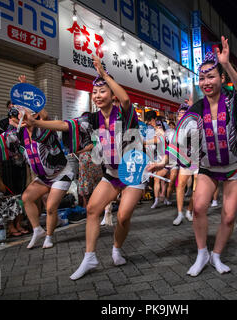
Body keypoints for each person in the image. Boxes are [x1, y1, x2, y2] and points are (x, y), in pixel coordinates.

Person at [24, 55, 143, 280]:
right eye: (95, 92)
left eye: (103, 91)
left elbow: (126, 100)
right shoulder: (92, 119)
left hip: (133, 172)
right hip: (111, 174)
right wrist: (36, 123)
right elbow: (65, 125)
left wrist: (104, 74)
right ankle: (90, 257)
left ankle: (116, 249)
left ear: (111, 94)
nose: (98, 96)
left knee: (123, 217)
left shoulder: (125, 114)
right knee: (92, 210)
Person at [149, 36, 237, 275]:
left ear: (222, 78)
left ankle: (216, 256)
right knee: (198, 207)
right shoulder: (195, 110)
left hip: (234, 166)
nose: (206, 82)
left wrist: (226, 63)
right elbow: (180, 141)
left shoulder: (233, 101)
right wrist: (163, 162)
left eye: (211, 76)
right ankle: (202, 252)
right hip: (207, 167)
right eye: (202, 77)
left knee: (228, 217)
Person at [0, 80, 74, 249]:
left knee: (50, 207)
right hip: (43, 177)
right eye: (20, 113)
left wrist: (28, 93)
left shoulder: (44, 128)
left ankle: (49, 236)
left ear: (34, 115)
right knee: (26, 198)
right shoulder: (18, 134)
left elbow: (46, 116)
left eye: (26, 112)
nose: (22, 116)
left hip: (60, 173)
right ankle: (37, 230)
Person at [0, 101, 27, 195]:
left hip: (23, 160)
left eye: (15, 108)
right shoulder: (2, 123)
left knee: (24, 184)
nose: (13, 111)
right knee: (9, 184)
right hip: (7, 161)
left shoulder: (24, 122)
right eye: (11, 108)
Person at [75, 112, 103, 209]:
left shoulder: (92, 131)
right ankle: (89, 207)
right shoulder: (84, 132)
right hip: (88, 159)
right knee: (89, 183)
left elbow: (93, 144)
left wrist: (79, 151)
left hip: (90, 158)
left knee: (89, 183)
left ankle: (90, 207)